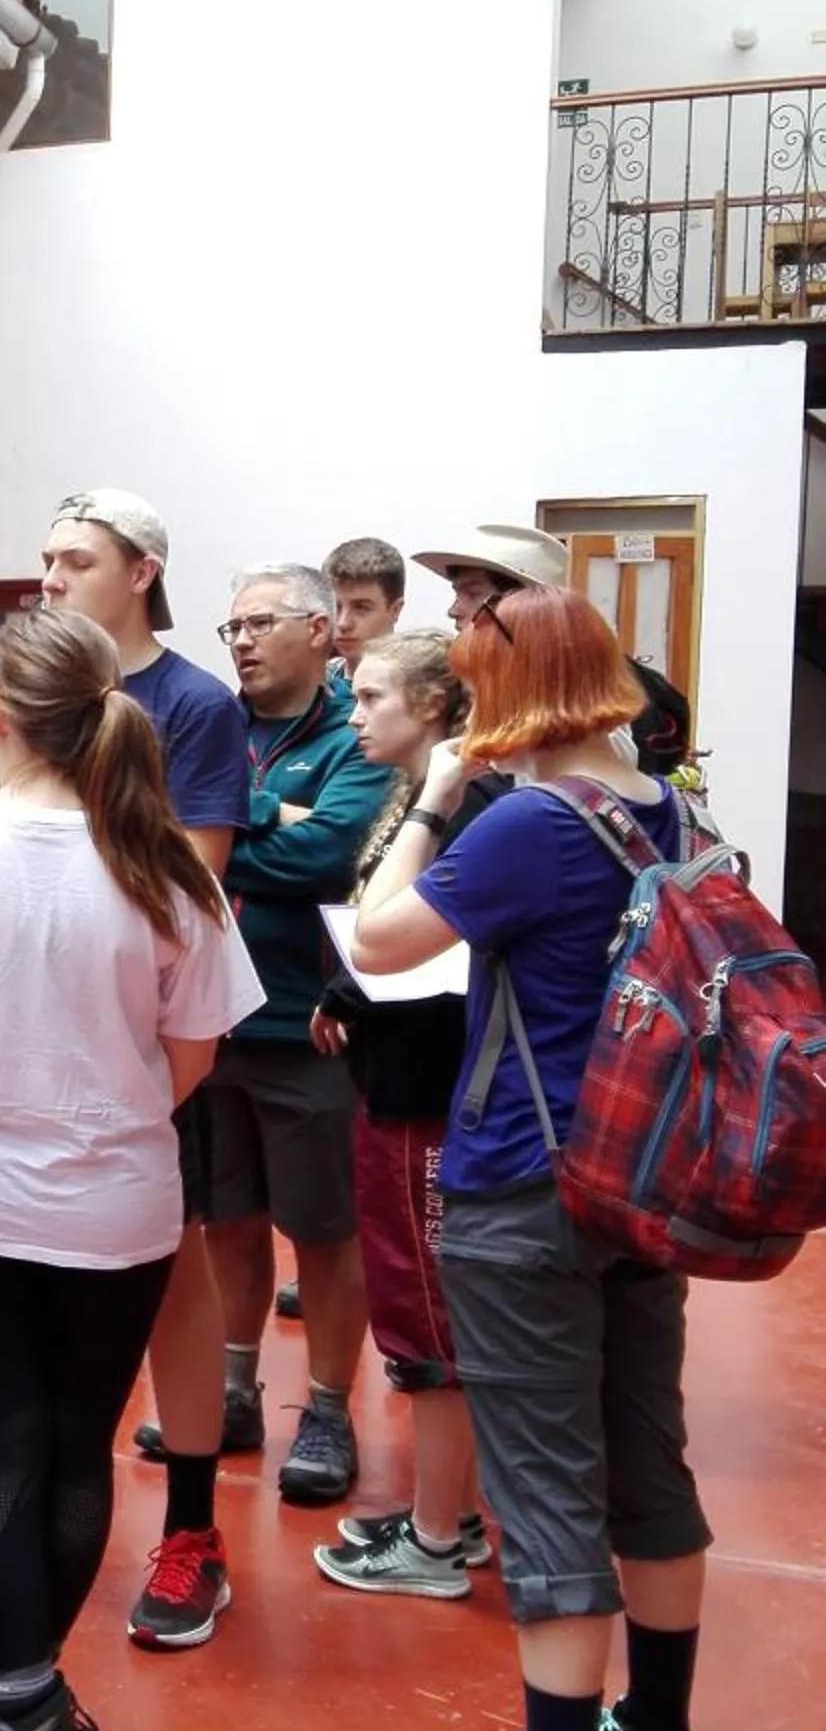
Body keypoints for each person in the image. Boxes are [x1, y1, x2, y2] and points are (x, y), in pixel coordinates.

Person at [0, 609, 261, 1731]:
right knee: (75, 1448)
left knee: (1, 1446)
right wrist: (102, 1104)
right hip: (114, 1207)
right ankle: (28, 1715)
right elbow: (191, 1056)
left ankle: (14, 1696)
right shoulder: (165, 869)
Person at [353, 586, 714, 1731]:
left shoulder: (528, 826)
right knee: (644, 1460)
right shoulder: (666, 807)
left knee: (544, 1488)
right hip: (640, 1181)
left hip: (525, 1189)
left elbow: (381, 940)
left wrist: (442, 790)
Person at [197, 564, 396, 1505]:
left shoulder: (358, 731)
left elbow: (332, 855)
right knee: (224, 1220)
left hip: (304, 1024)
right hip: (207, 1017)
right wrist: (270, 818)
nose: (239, 639)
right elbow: (165, 835)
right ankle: (232, 1392)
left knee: (322, 1231)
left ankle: (325, 1408)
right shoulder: (208, 721)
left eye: (260, 622)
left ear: (320, 632)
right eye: (231, 625)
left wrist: (225, 829)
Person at [309, 631, 500, 1598]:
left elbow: (426, 949)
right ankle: (451, 1515)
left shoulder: (470, 809)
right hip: (397, 1082)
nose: (355, 714)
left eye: (372, 696)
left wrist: (364, 979)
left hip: (433, 1092)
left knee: (430, 1313)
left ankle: (434, 1539)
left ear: (433, 704)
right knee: (417, 1299)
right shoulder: (413, 799)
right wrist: (346, 994)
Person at [413, 524, 694, 781]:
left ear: (523, 605)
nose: (453, 610)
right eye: (456, 593)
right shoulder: (506, 684)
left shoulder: (579, 702)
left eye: (472, 594)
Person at [323, 536, 404, 673]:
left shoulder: (421, 686)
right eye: (334, 607)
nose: (343, 623)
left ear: (395, 610)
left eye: (361, 607)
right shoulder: (315, 683)